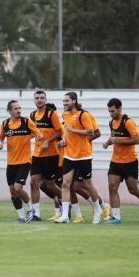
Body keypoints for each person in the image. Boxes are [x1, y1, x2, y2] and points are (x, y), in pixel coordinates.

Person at [102, 98, 139, 224]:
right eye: (109, 111)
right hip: (115, 161)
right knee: (112, 186)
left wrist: (117, 140)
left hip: (130, 161)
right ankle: (116, 217)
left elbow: (137, 140)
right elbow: (115, 138)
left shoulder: (128, 122)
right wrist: (108, 142)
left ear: (120, 109)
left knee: (133, 189)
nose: (111, 114)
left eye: (113, 111)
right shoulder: (111, 122)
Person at [55, 92, 103, 224]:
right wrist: (63, 141)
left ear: (74, 101)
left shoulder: (83, 115)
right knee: (65, 184)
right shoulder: (65, 114)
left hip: (83, 155)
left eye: (67, 101)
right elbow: (67, 132)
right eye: (63, 101)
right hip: (69, 155)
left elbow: (91, 132)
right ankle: (65, 215)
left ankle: (98, 209)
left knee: (88, 185)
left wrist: (73, 130)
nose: (64, 103)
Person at [0, 100, 42, 222]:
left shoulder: (26, 122)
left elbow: (38, 133)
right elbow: (1, 138)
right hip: (11, 163)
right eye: (16, 108)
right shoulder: (5, 124)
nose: (19, 110)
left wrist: (39, 136)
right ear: (9, 111)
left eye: (19, 108)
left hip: (25, 161)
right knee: (13, 191)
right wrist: (0, 144)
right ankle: (21, 216)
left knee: (18, 188)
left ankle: (30, 208)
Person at [29, 90, 63, 221]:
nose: (39, 100)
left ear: (45, 100)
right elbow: (33, 132)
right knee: (33, 182)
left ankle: (65, 203)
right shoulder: (32, 115)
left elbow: (59, 132)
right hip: (37, 154)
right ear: (34, 100)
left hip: (51, 154)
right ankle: (36, 214)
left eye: (42, 98)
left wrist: (47, 141)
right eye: (37, 98)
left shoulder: (51, 114)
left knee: (50, 185)